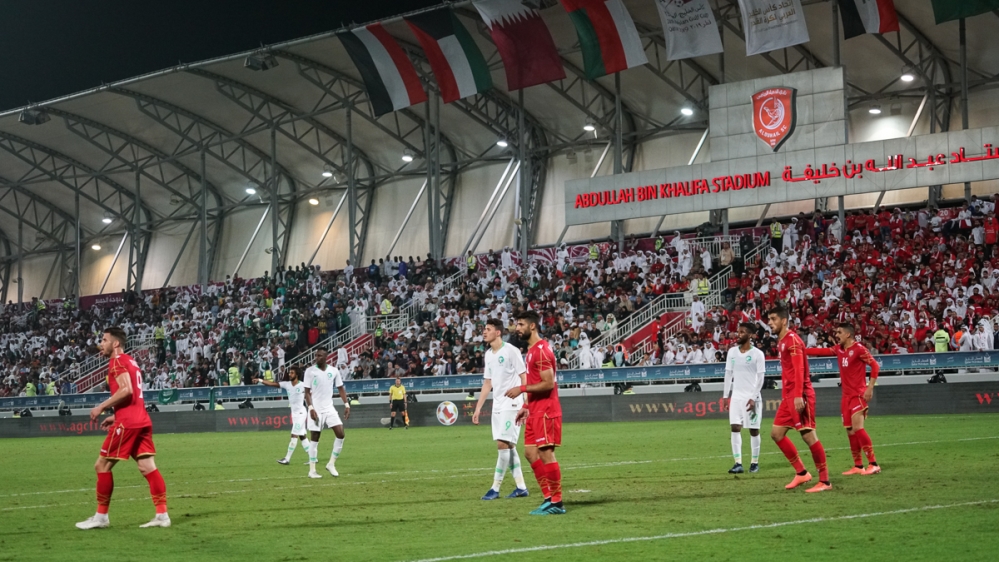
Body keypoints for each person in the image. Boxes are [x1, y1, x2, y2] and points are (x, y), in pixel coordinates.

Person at [76, 326, 170, 530]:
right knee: (147, 467)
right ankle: (162, 515)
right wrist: (115, 415)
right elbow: (133, 393)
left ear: (116, 343)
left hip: (128, 423)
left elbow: (126, 390)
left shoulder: (116, 361)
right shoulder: (131, 361)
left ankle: (101, 517)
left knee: (102, 466)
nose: (101, 344)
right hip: (141, 420)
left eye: (104, 340)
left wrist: (101, 407)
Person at [504, 310, 565, 515]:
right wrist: (526, 406)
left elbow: (548, 383)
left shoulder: (541, 351)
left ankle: (557, 502)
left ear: (532, 326)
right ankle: (548, 497)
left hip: (546, 411)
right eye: (517, 324)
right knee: (530, 453)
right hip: (535, 409)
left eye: (521, 324)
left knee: (546, 454)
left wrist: (521, 389)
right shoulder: (531, 350)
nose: (517, 328)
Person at [767, 306, 831, 493]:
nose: (770, 323)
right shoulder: (782, 341)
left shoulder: (792, 340)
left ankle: (825, 481)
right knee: (776, 434)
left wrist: (797, 395)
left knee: (808, 436)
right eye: (769, 319)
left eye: (773, 319)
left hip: (800, 394)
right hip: (788, 396)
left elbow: (799, 370)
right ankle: (802, 473)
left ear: (784, 321)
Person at [805, 324, 881, 475]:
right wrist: (802, 350)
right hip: (846, 396)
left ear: (848, 334)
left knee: (858, 428)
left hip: (858, 394)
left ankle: (873, 464)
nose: (836, 335)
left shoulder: (859, 349)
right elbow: (821, 351)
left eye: (839, 332)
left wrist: (870, 387)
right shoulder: (838, 349)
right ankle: (858, 465)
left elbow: (875, 366)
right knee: (850, 431)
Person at [472, 318, 530, 500]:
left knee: (502, 444)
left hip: (512, 404)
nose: (484, 332)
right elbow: (487, 383)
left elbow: (524, 377)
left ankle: (495, 488)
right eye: (484, 329)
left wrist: (526, 402)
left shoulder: (511, 351)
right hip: (497, 405)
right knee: (509, 446)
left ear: (498, 332)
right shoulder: (489, 354)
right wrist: (478, 408)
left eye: (488, 329)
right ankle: (521, 487)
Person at [723, 323, 766, 474]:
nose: (738, 335)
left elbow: (760, 378)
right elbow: (728, 374)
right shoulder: (732, 352)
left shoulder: (758, 354)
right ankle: (738, 463)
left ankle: (754, 462)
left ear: (750, 335)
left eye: (742, 332)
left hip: (751, 397)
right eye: (738, 332)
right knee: (735, 427)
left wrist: (753, 397)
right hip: (736, 396)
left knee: (753, 430)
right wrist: (726, 395)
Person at [303, 348, 351, 479]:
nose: (317, 357)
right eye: (316, 355)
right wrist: (311, 408)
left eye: (320, 355)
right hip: (316, 409)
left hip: (329, 408)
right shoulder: (310, 371)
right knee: (315, 438)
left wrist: (346, 404)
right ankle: (312, 470)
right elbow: (306, 392)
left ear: (326, 357)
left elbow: (340, 388)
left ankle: (331, 464)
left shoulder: (334, 371)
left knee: (341, 434)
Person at [255, 366, 311, 464]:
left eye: (292, 373)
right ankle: (313, 458)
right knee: (302, 436)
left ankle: (287, 459)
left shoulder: (303, 385)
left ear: (297, 374)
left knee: (294, 434)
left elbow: (311, 395)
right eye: (289, 373)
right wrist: (260, 380)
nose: (290, 374)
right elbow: (272, 384)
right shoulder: (287, 384)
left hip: (301, 413)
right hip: (294, 414)